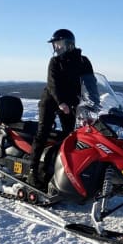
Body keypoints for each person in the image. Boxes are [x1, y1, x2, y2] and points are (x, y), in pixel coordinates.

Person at [27, 28, 95, 190]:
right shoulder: (55, 62)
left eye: (58, 44)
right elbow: (53, 84)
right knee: (42, 133)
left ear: (69, 44)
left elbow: (91, 84)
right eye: (54, 45)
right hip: (51, 101)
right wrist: (61, 103)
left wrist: (94, 103)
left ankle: (63, 170)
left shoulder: (83, 61)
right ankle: (33, 171)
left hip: (71, 103)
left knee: (70, 137)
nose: (56, 47)